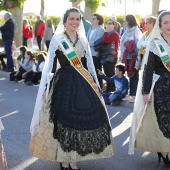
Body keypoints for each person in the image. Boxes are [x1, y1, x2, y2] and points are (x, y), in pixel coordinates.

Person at [30, 8, 114, 170]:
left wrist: (95, 85)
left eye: (78, 19)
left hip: (82, 82)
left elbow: (88, 65)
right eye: (71, 19)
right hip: (63, 83)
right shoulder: (58, 39)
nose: (75, 22)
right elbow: (51, 66)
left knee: (79, 121)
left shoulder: (83, 39)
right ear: (65, 21)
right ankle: (63, 159)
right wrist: (47, 88)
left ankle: (73, 159)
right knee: (62, 121)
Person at [129, 11, 170, 168]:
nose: (169, 25)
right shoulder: (155, 43)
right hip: (161, 88)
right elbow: (148, 69)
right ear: (160, 25)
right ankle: (164, 150)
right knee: (164, 120)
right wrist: (145, 91)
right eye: (165, 22)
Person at [120, 14, 143, 102]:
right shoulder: (127, 30)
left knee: (134, 75)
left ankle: (134, 95)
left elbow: (138, 45)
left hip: (133, 57)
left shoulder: (136, 30)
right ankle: (131, 93)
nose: (124, 22)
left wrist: (135, 55)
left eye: (125, 20)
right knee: (130, 75)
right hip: (127, 57)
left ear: (129, 21)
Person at [100, 19, 120, 92]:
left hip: (112, 56)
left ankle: (112, 89)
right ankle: (109, 89)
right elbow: (103, 39)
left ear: (114, 25)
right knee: (107, 73)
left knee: (110, 73)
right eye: (107, 23)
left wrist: (105, 32)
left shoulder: (114, 34)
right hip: (106, 56)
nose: (108, 25)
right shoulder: (108, 33)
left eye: (110, 23)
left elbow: (106, 40)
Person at [87, 13, 104, 89]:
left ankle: (99, 87)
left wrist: (86, 43)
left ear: (98, 20)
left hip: (96, 54)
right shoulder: (90, 29)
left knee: (97, 70)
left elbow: (96, 42)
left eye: (94, 19)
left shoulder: (101, 29)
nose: (92, 20)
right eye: (92, 18)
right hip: (89, 53)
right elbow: (87, 39)